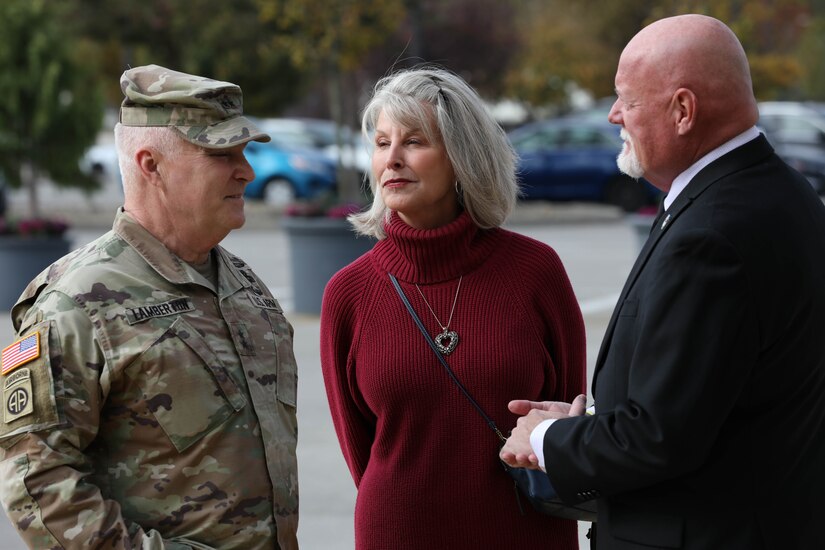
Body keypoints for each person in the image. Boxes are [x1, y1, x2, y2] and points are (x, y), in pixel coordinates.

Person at [501, 14, 825, 549]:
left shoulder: (712, 234)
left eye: (626, 100)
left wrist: (547, 436)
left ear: (682, 110)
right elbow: (718, 398)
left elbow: (657, 439)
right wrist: (593, 422)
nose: (612, 116)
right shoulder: (781, 193)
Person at [0, 65, 299, 549]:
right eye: (221, 153)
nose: (247, 171)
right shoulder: (75, 304)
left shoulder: (247, 289)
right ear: (150, 164)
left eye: (244, 152)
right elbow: (38, 485)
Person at [320, 66, 586, 549]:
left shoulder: (535, 272)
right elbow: (362, 453)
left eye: (415, 141)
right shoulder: (349, 292)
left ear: (462, 155)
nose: (393, 160)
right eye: (382, 144)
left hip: (524, 531)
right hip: (398, 532)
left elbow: (566, 419)